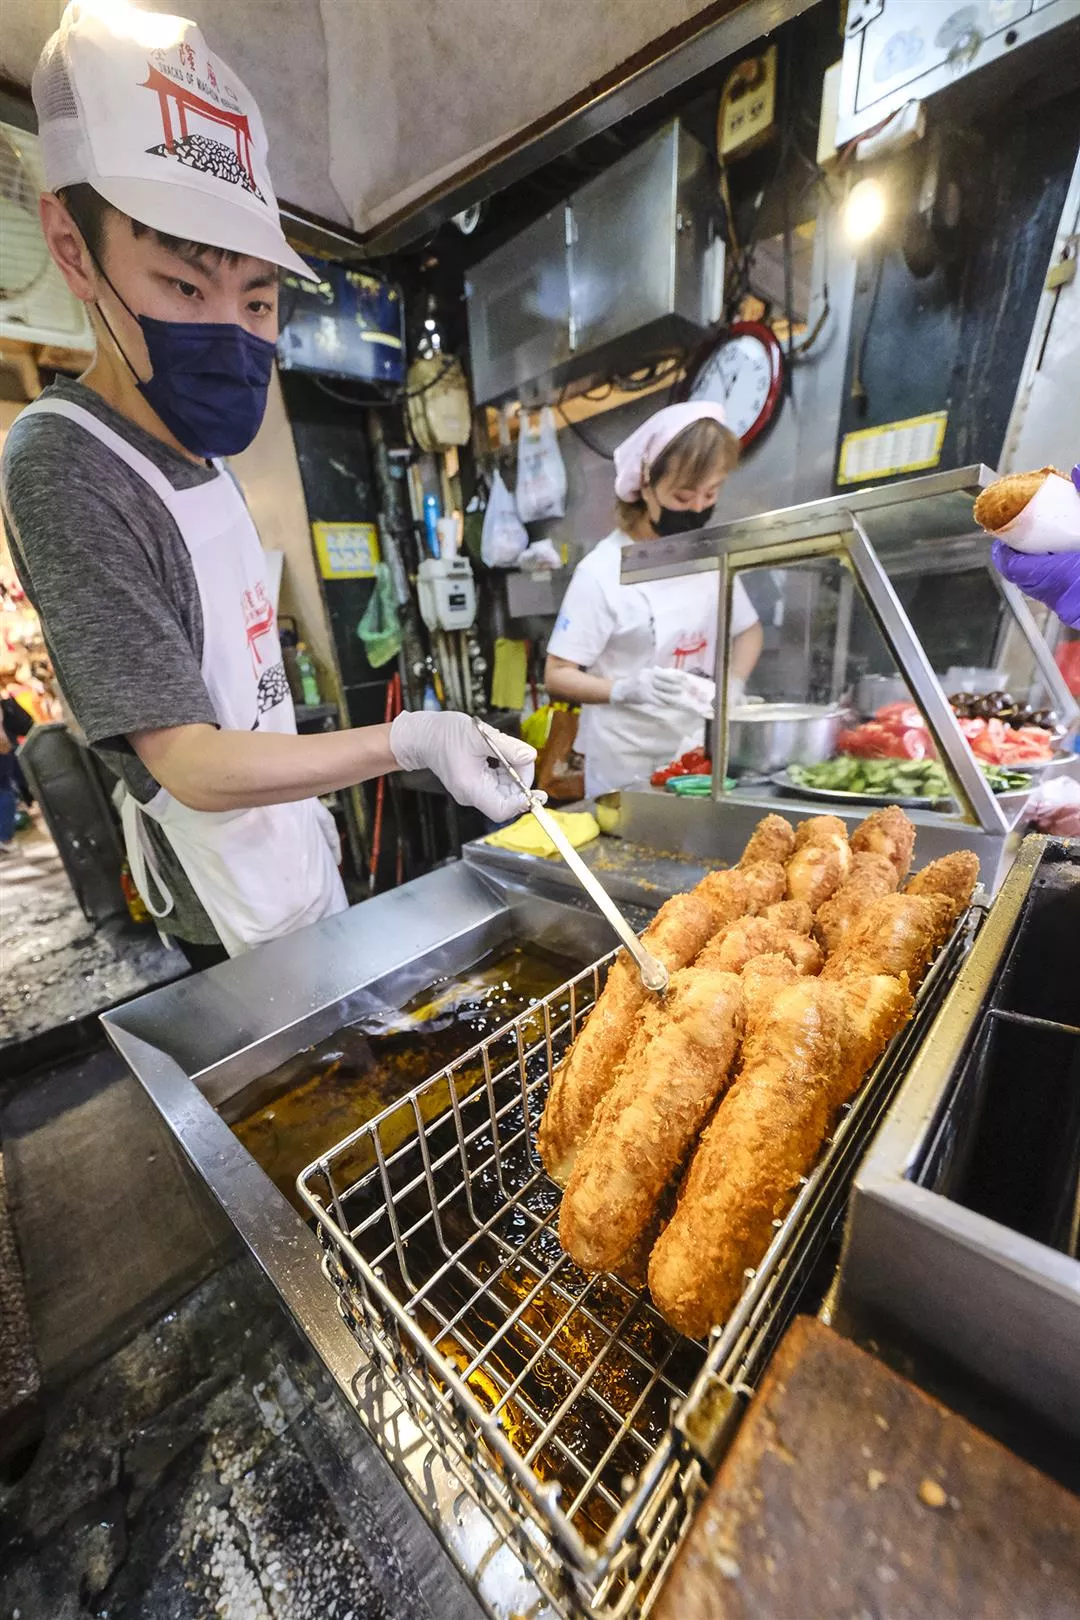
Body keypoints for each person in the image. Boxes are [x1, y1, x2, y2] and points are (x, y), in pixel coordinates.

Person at [1, 2, 534, 967]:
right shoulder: (63, 461)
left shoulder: (201, 453)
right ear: (73, 250)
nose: (230, 329)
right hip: (223, 902)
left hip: (296, 849)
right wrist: (406, 741)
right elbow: (190, 762)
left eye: (255, 297)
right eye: (183, 286)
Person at [544, 403, 762, 798]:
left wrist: (734, 685)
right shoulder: (602, 571)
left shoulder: (707, 557)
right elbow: (557, 674)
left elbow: (748, 631)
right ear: (645, 484)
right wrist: (623, 689)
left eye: (711, 493)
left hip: (696, 756)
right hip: (624, 765)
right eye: (682, 496)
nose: (698, 508)